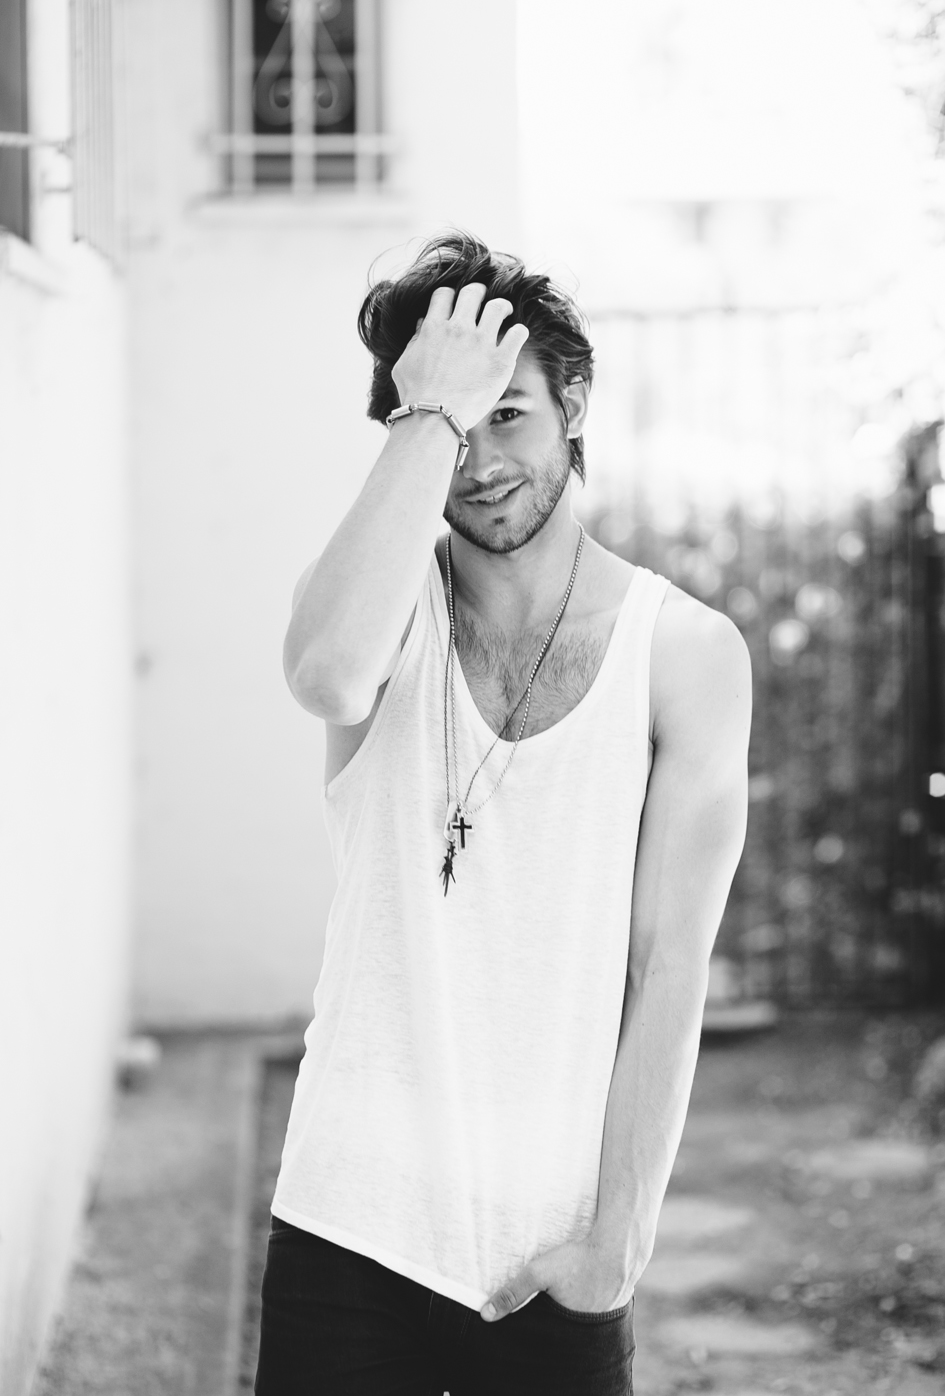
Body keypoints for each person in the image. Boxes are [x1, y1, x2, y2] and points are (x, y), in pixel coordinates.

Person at [256, 231, 751, 1396]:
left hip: (552, 1252)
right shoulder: (376, 613)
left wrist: (616, 1243)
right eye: (449, 423)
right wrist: (427, 407)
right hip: (346, 1223)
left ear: (574, 405)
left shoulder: (684, 654)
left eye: (508, 414)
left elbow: (668, 967)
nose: (478, 461)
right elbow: (327, 676)